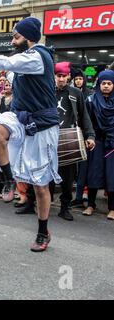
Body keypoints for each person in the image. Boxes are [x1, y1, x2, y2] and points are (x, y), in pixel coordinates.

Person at [0, 17, 62, 252]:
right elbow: (11, 72)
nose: (12, 39)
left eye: (16, 36)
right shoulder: (24, 65)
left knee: (40, 186)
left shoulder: (38, 56)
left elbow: (7, 63)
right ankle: (9, 180)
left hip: (42, 124)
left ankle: (42, 231)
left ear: (28, 37)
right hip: (20, 117)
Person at [52, 62, 95, 221]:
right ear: (55, 76)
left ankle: (64, 208)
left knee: (67, 178)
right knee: (45, 175)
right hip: (49, 138)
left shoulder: (76, 93)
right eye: (58, 76)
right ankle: (35, 202)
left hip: (69, 141)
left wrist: (90, 136)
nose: (61, 79)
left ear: (68, 76)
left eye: (64, 76)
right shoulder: (48, 91)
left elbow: (84, 116)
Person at [83, 70, 114, 220]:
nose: (106, 86)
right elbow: (86, 121)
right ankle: (90, 204)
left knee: (112, 174)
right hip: (96, 141)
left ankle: (112, 208)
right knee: (94, 172)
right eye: (104, 83)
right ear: (99, 84)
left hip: (112, 142)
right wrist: (89, 137)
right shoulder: (91, 100)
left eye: (109, 83)